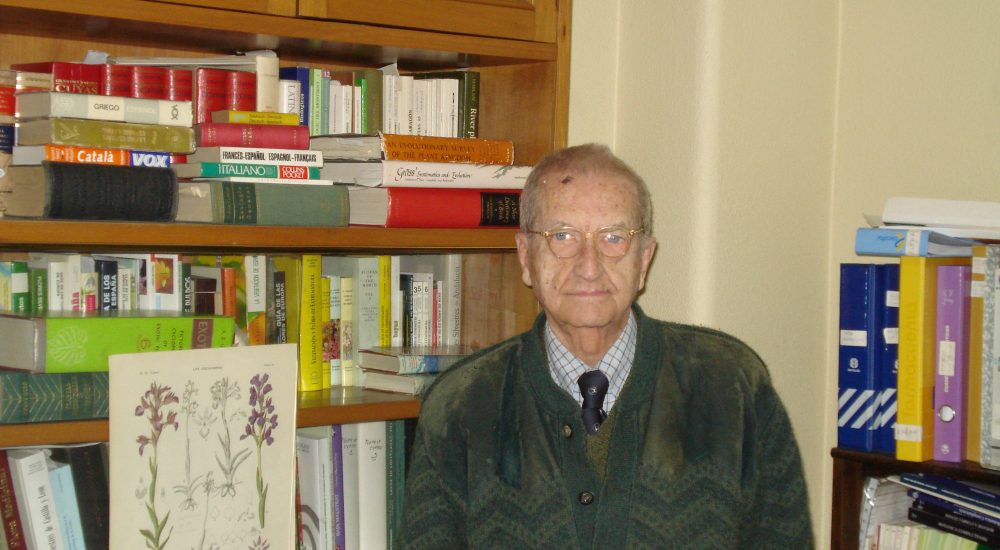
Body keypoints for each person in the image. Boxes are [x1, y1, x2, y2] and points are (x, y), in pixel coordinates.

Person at [401, 143, 814, 549]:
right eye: (563, 236)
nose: (589, 265)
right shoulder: (460, 406)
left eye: (614, 238)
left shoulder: (733, 387)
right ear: (526, 257)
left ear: (644, 259)